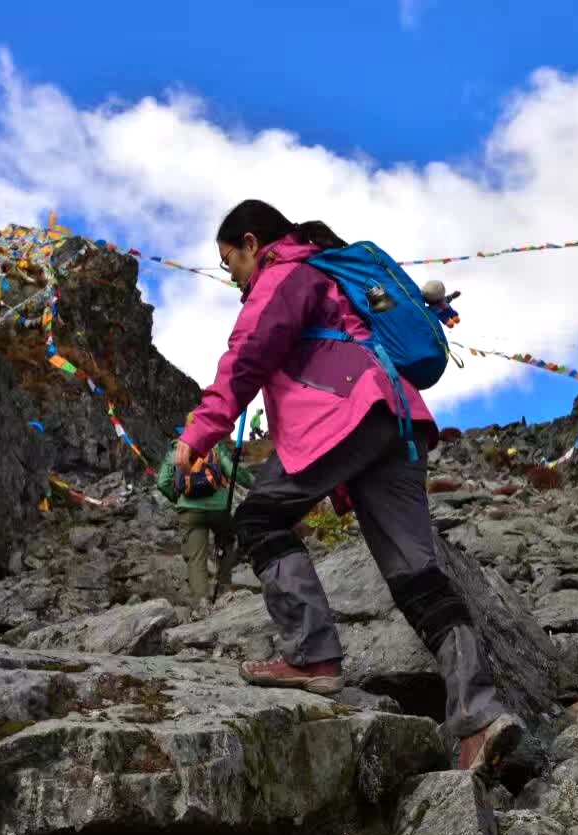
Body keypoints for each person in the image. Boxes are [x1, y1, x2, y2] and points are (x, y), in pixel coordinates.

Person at [174, 199, 521, 774]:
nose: (231, 275)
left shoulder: (285, 274)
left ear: (253, 243)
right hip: (398, 419)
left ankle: (312, 656)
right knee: (417, 575)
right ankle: (479, 717)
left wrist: (200, 431)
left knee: (259, 519)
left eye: (229, 260)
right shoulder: (328, 271)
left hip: (345, 413)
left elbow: (247, 356)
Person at [156, 419, 253, 604]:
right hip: (219, 509)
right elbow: (232, 471)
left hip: (189, 512)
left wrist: (178, 499)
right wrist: (256, 482)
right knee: (228, 540)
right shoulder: (215, 446)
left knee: (196, 558)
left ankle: (201, 604)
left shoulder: (177, 449)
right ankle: (224, 587)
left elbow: (162, 482)